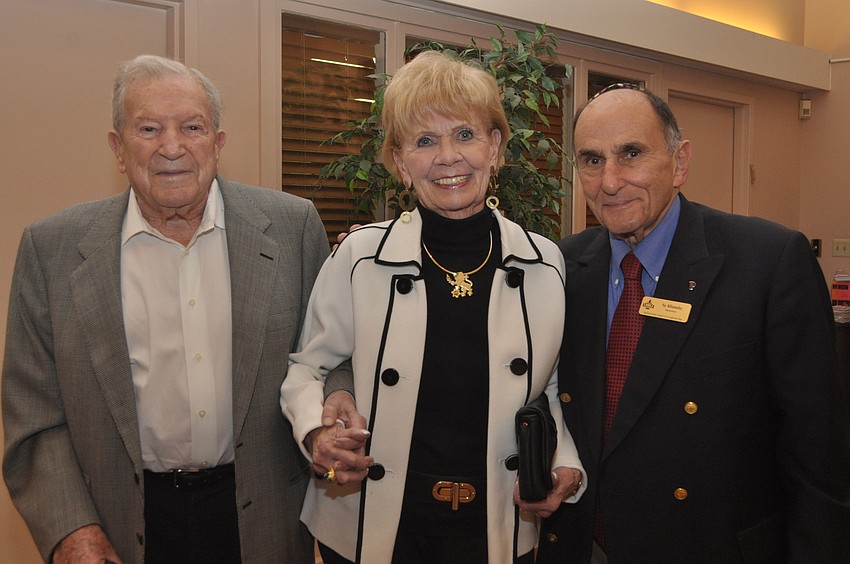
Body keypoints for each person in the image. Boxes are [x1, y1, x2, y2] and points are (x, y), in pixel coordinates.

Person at [1, 54, 352, 563]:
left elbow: (330, 357)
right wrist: (72, 532)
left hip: (265, 522)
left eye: (192, 126)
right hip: (119, 525)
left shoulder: (293, 227)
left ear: (217, 142)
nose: (172, 147)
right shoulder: (50, 249)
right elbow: (34, 417)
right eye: (149, 128)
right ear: (118, 148)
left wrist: (333, 418)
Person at [279, 50, 586, 564]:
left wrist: (565, 462)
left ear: (495, 147)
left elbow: (551, 387)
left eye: (465, 134)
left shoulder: (543, 261)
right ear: (400, 163)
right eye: (424, 141)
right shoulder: (360, 256)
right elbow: (309, 367)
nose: (448, 156)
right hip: (371, 521)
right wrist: (317, 430)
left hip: (498, 523)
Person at [535, 84, 850, 563]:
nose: (611, 181)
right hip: (586, 546)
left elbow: (818, 453)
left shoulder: (767, 261)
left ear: (680, 162)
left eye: (632, 154)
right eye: (592, 160)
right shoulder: (560, 267)